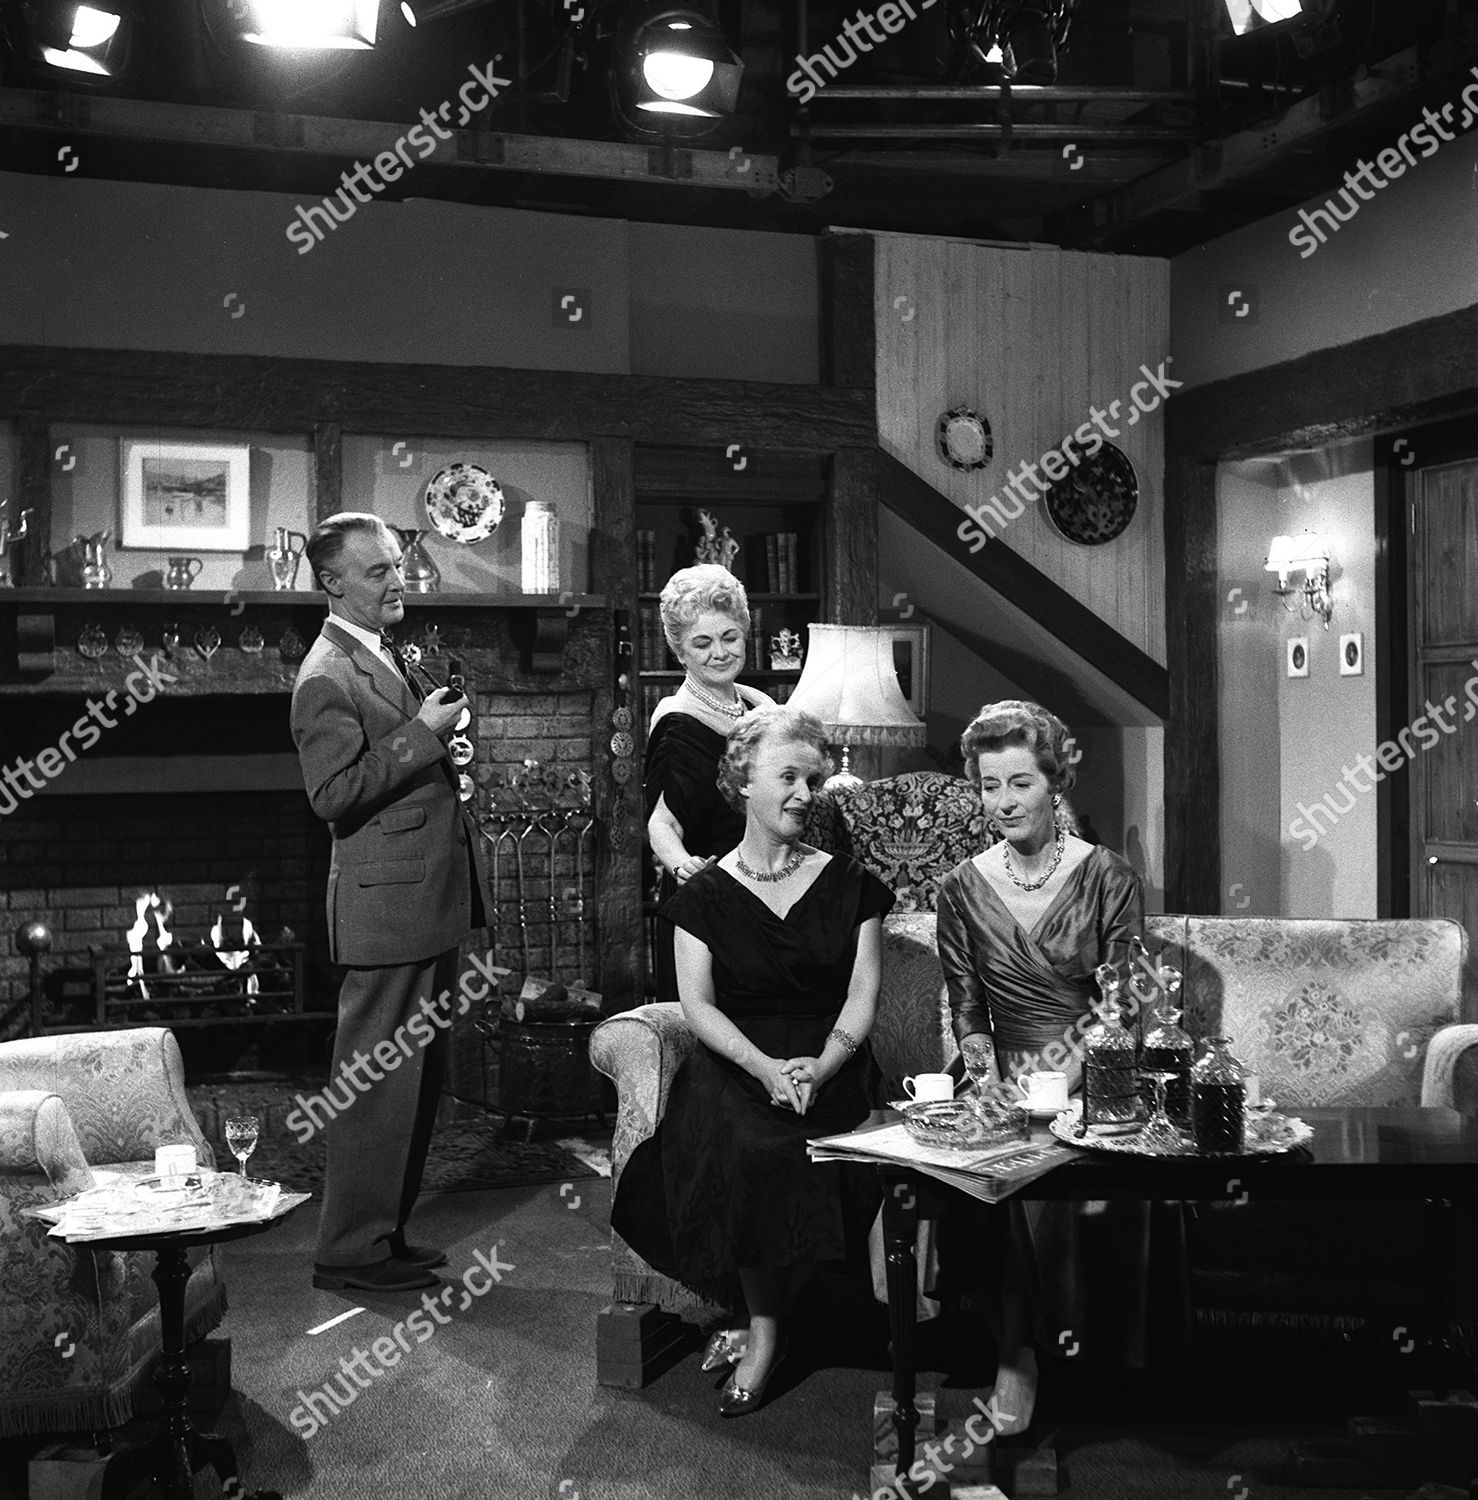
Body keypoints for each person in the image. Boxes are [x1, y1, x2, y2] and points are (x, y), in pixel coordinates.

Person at [613, 706, 894, 1415]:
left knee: (822, 1148)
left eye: (813, 780)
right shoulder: (703, 894)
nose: (805, 794)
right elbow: (698, 1006)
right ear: (742, 781)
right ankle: (767, 1327)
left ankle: (764, 1326)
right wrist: (766, 1068)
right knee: (745, 1143)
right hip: (740, 1062)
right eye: (788, 777)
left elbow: (862, 997)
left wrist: (822, 1066)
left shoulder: (851, 883)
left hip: (833, 1060)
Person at [934, 700, 1187, 1435]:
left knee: (1057, 1165)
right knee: (974, 1160)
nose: (1004, 802)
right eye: (990, 786)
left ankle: (1072, 1355)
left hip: (1094, 1066)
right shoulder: (960, 887)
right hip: (997, 1068)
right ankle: (1016, 1355)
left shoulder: (1108, 876)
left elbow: (1124, 1001)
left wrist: (1057, 1083)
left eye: (1021, 783)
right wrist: (989, 1080)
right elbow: (967, 1007)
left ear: (1055, 783)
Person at [291, 513, 488, 1293]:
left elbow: (394, 760)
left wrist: (437, 742)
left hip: (421, 901)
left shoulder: (376, 650)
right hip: (387, 909)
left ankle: (384, 1235)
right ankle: (350, 1252)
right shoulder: (325, 676)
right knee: (375, 1092)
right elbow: (332, 795)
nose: (396, 581)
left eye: (396, 565)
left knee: (412, 1084)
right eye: (377, 571)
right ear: (333, 583)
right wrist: (422, 734)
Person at [644, 564, 774, 1003]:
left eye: (729, 637)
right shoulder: (676, 721)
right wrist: (685, 869)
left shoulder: (762, 705)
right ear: (679, 651)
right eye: (702, 643)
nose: (720, 653)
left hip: (767, 885)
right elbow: (661, 823)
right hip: (708, 895)